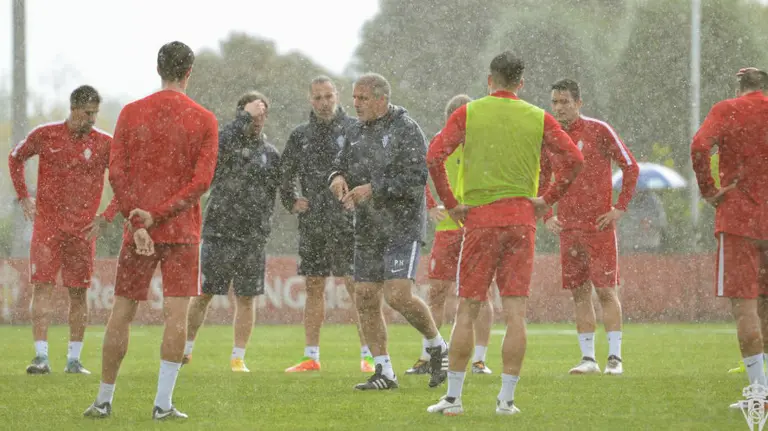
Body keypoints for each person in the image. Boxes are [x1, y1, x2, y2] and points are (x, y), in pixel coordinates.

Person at [425, 51, 583, 416]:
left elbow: (434, 156)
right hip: (521, 220)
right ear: (521, 84)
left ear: (489, 80)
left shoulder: (469, 112)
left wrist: (450, 202)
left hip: (480, 219)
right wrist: (547, 199)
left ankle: (454, 399)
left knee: (467, 309)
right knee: (516, 313)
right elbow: (574, 159)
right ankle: (506, 401)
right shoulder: (537, 116)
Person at [83, 41, 219, 420]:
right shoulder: (204, 119)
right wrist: (158, 215)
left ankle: (103, 400)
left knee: (121, 311)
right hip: (181, 230)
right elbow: (201, 182)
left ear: (158, 69)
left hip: (137, 230)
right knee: (176, 315)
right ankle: (162, 404)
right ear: (189, 71)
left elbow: (118, 172)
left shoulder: (131, 112)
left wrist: (138, 219)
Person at [329, 73, 449, 390]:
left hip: (401, 225)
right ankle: (384, 372)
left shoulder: (406, 129)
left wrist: (374, 190)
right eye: (354, 98)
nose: (355, 104)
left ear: (381, 99)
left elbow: (415, 179)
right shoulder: (352, 130)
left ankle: (437, 346)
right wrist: (337, 177)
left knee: (398, 295)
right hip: (368, 227)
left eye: (363, 98)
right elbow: (338, 162)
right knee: (366, 297)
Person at [8, 85, 116, 376]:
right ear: (74, 109)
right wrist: (23, 196)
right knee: (42, 287)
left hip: (82, 231)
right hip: (48, 228)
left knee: (78, 293)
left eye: (95, 113)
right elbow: (15, 157)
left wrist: (107, 215)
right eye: (88, 113)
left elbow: (125, 180)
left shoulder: (105, 143)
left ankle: (74, 360)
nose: (92, 119)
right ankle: (41, 357)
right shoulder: (46, 135)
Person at [542, 79, 639, 375]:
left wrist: (619, 208)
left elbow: (631, 167)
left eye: (565, 102)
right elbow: (541, 177)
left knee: (606, 291)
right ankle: (588, 359)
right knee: (579, 293)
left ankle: (615, 358)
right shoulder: (548, 137)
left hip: (598, 227)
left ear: (579, 103)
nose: (559, 108)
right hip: (568, 229)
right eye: (555, 102)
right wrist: (547, 214)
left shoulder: (598, 130)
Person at [281, 76, 373, 373]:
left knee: (356, 287)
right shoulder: (300, 135)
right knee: (313, 285)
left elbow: (370, 168)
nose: (323, 102)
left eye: (328, 96)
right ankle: (311, 356)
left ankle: (369, 355)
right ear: (311, 100)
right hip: (314, 221)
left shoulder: (354, 129)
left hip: (347, 220)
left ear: (338, 96)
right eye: (318, 97)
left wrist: (359, 197)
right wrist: (291, 200)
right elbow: (284, 173)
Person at [690, 68, 768, 409]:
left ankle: (759, 393)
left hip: (739, 218)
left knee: (746, 308)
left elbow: (699, 146)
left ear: (739, 88)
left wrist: (709, 190)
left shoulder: (727, 109)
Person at [183, 92, 277, 373]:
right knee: (203, 295)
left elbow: (272, 194)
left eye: (262, 115)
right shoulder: (223, 144)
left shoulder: (270, 154)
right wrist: (242, 119)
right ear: (241, 114)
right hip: (219, 232)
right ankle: (185, 349)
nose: (257, 121)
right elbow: (214, 145)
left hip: (252, 238)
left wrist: (264, 226)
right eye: (252, 115)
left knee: (247, 298)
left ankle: (238, 358)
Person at [406, 95, 495, 376]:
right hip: (447, 228)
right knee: (437, 291)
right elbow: (420, 175)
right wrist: (431, 206)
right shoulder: (439, 142)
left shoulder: (485, 144)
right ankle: (429, 354)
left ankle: (479, 359)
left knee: (480, 293)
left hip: (477, 225)